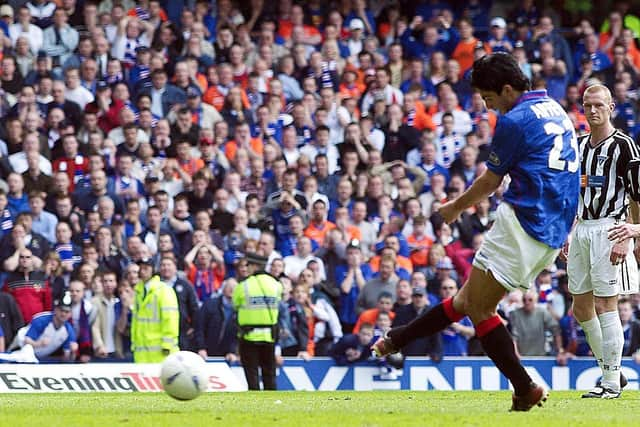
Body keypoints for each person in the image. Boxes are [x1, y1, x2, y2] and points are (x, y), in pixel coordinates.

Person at [372, 53, 580, 411]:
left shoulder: (514, 121)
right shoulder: (554, 108)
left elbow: (490, 181)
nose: (490, 108)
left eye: (489, 99)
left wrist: (453, 207)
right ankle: (397, 338)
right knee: (467, 301)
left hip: (525, 222)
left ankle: (524, 386)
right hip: (553, 225)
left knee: (480, 309)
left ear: (508, 89)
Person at [565, 84, 640, 399]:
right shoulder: (579, 145)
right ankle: (614, 372)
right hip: (583, 228)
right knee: (580, 306)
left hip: (611, 229)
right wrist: (568, 232)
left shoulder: (625, 146)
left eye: (598, 105)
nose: (592, 110)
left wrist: (632, 232)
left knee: (606, 304)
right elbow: (572, 193)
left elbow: (638, 196)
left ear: (611, 107)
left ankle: (609, 383)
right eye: (587, 105)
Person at [232, 252, 283, 391]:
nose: (246, 268)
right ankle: (272, 404)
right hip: (269, 336)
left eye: (248, 265)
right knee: (269, 375)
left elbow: (235, 304)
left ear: (254, 266)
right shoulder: (276, 284)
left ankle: (255, 405)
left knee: (252, 375)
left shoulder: (243, 286)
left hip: (249, 337)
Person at [130, 257, 179, 363]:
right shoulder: (139, 291)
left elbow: (170, 319)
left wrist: (167, 344)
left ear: (153, 270)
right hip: (142, 352)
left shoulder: (164, 290)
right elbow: (136, 321)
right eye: (140, 268)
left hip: (160, 351)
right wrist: (134, 343)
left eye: (146, 268)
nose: (142, 271)